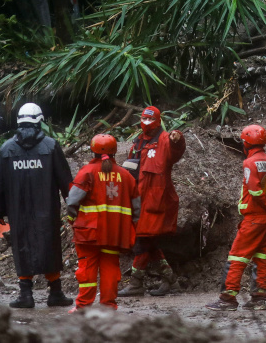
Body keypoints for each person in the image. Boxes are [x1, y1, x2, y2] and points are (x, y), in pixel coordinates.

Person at [0, 102, 74, 309]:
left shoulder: (6, 148)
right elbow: (65, 180)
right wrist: (73, 207)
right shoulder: (51, 146)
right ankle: (55, 292)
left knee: (22, 247)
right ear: (40, 121)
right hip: (47, 209)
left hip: (17, 210)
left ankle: (25, 294)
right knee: (50, 246)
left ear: (19, 121)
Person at [206, 124, 266, 312]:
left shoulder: (249, 163)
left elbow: (255, 190)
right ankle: (259, 300)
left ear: (246, 143)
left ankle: (228, 299)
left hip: (254, 219)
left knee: (237, 257)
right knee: (262, 258)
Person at [65, 134, 139, 311]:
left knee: (87, 269)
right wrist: (132, 228)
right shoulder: (126, 176)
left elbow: (72, 201)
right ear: (115, 151)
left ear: (93, 150)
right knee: (110, 269)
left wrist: (71, 219)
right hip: (115, 234)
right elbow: (137, 209)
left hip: (88, 233)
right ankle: (108, 305)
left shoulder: (87, 172)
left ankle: (83, 306)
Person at [117, 106, 186, 297]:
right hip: (140, 201)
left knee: (143, 241)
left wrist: (177, 137)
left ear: (158, 121)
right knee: (150, 243)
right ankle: (170, 280)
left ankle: (136, 283)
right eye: (144, 119)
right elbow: (130, 169)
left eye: (150, 119)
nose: (146, 123)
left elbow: (176, 151)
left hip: (158, 202)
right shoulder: (137, 142)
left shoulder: (165, 140)